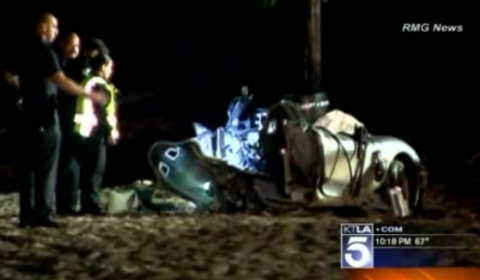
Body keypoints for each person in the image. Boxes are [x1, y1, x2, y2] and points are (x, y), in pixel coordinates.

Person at [3, 13, 106, 228]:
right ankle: (43, 214)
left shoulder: (22, 48)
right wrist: (89, 95)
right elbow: (59, 79)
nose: (56, 31)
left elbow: (8, 75)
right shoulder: (44, 50)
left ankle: (27, 215)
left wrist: (27, 89)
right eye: (54, 26)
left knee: (28, 167)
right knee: (46, 166)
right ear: (42, 27)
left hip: (26, 115)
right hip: (45, 115)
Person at [73, 53, 119, 215]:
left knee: (87, 171)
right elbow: (102, 111)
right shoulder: (99, 83)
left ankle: (87, 203)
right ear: (103, 67)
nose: (111, 70)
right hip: (94, 132)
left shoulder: (87, 80)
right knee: (95, 171)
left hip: (83, 131)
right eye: (110, 66)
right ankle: (91, 206)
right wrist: (109, 132)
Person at [55, 32, 82, 215]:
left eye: (78, 46)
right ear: (63, 45)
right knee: (66, 163)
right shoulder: (57, 65)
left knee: (70, 163)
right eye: (72, 45)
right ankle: (65, 205)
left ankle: (67, 203)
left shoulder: (77, 67)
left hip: (70, 121)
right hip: (60, 120)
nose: (75, 49)